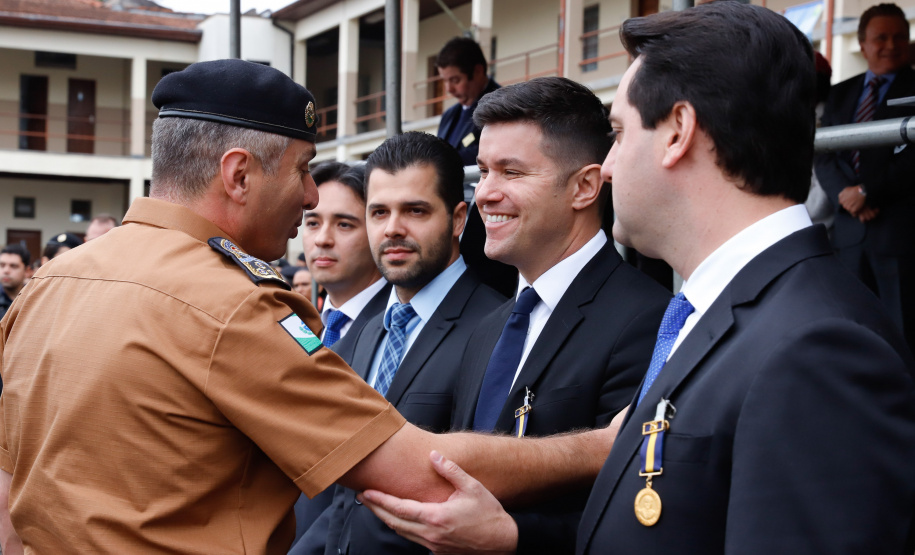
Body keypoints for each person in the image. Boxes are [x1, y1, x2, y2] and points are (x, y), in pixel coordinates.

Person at [0, 59, 619, 555]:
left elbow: (11, 492)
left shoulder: (50, 284)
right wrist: (603, 447)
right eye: (301, 171)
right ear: (238, 175)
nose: (309, 197)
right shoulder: (230, 306)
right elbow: (414, 470)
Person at [359, 3, 915, 554]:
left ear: (677, 133)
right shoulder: (720, 316)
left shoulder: (819, 347)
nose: (608, 166)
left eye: (620, 133)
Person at [446, 76, 669, 554]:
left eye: (511, 172)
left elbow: (636, 507)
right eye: (482, 171)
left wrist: (513, 538)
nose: (484, 193)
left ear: (585, 186)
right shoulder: (486, 330)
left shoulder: (648, 321)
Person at [302, 131, 506, 555]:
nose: (393, 229)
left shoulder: (497, 328)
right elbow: (341, 496)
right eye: (379, 212)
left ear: (458, 219)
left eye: (415, 210)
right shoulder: (363, 332)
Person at [291, 160, 390, 544]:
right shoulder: (307, 324)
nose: (322, 239)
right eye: (312, 222)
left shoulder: (396, 328)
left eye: (344, 224)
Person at [815, 3, 915, 351]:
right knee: (852, 333)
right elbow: (822, 151)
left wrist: (868, 192)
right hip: (849, 235)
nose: (891, 45)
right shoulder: (840, 92)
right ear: (863, 44)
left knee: (902, 337)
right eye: (881, 38)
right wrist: (845, 194)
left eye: (899, 37)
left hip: (900, 237)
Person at [436, 37, 500, 166]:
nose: (449, 89)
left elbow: (492, 152)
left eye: (455, 80)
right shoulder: (448, 115)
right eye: (445, 81)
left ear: (478, 71)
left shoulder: (502, 107)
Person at [0, 245, 31, 321]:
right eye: (2, 265)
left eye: (13, 266)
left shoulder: (33, 299)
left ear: (27, 271)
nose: (6, 270)